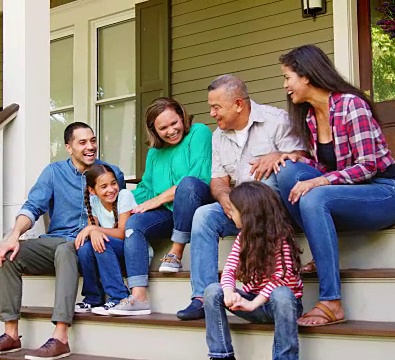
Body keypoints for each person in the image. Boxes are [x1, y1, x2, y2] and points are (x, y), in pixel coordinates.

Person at [274, 44, 395, 326]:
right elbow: (326, 167)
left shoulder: (350, 105)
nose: (286, 85)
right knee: (287, 172)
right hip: (350, 194)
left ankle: (331, 302)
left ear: (306, 76)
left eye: (287, 77)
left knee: (314, 197)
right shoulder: (311, 117)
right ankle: (323, 257)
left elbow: (368, 165)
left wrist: (319, 181)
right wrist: (297, 160)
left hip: (385, 192)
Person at [0, 122, 125, 359]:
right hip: (54, 240)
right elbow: (33, 206)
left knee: (66, 249)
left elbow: (119, 213)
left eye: (93, 141)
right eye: (82, 142)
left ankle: (60, 337)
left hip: (86, 245)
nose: (90, 147)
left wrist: (98, 229)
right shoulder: (54, 172)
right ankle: (11, 334)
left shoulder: (110, 172)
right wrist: (13, 236)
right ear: (68, 147)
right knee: (8, 254)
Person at [177, 74, 306, 321]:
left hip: (275, 214)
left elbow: (302, 157)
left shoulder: (275, 120)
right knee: (204, 214)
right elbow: (217, 179)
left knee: (267, 180)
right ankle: (203, 298)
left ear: (238, 104)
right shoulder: (218, 137)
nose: (212, 114)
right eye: (210, 107)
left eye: (216, 107)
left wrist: (280, 154)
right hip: (240, 211)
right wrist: (224, 196)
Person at [107, 97, 213, 316]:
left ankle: (176, 252)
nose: (171, 131)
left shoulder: (199, 133)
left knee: (188, 185)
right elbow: (146, 187)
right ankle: (138, 296)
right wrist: (117, 199)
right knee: (135, 223)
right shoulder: (155, 153)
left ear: (182, 116)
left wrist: (157, 200)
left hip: (198, 205)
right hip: (169, 212)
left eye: (174, 123)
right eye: (163, 128)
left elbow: (198, 175)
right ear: (154, 130)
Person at [204, 181, 303, 360]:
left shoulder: (281, 236)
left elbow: (279, 279)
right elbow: (229, 270)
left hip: (280, 306)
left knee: (282, 294)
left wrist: (253, 303)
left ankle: (285, 357)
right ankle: (221, 355)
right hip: (253, 305)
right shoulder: (243, 237)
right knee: (213, 290)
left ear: (249, 214)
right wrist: (228, 292)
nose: (230, 215)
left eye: (233, 211)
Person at [74, 164, 135, 315]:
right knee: (85, 246)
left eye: (113, 183)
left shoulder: (124, 196)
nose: (111, 189)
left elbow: (122, 233)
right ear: (92, 191)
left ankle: (119, 296)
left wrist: (93, 229)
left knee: (102, 241)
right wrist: (92, 231)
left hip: (133, 252)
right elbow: (91, 230)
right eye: (104, 186)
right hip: (110, 254)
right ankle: (93, 297)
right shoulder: (93, 202)